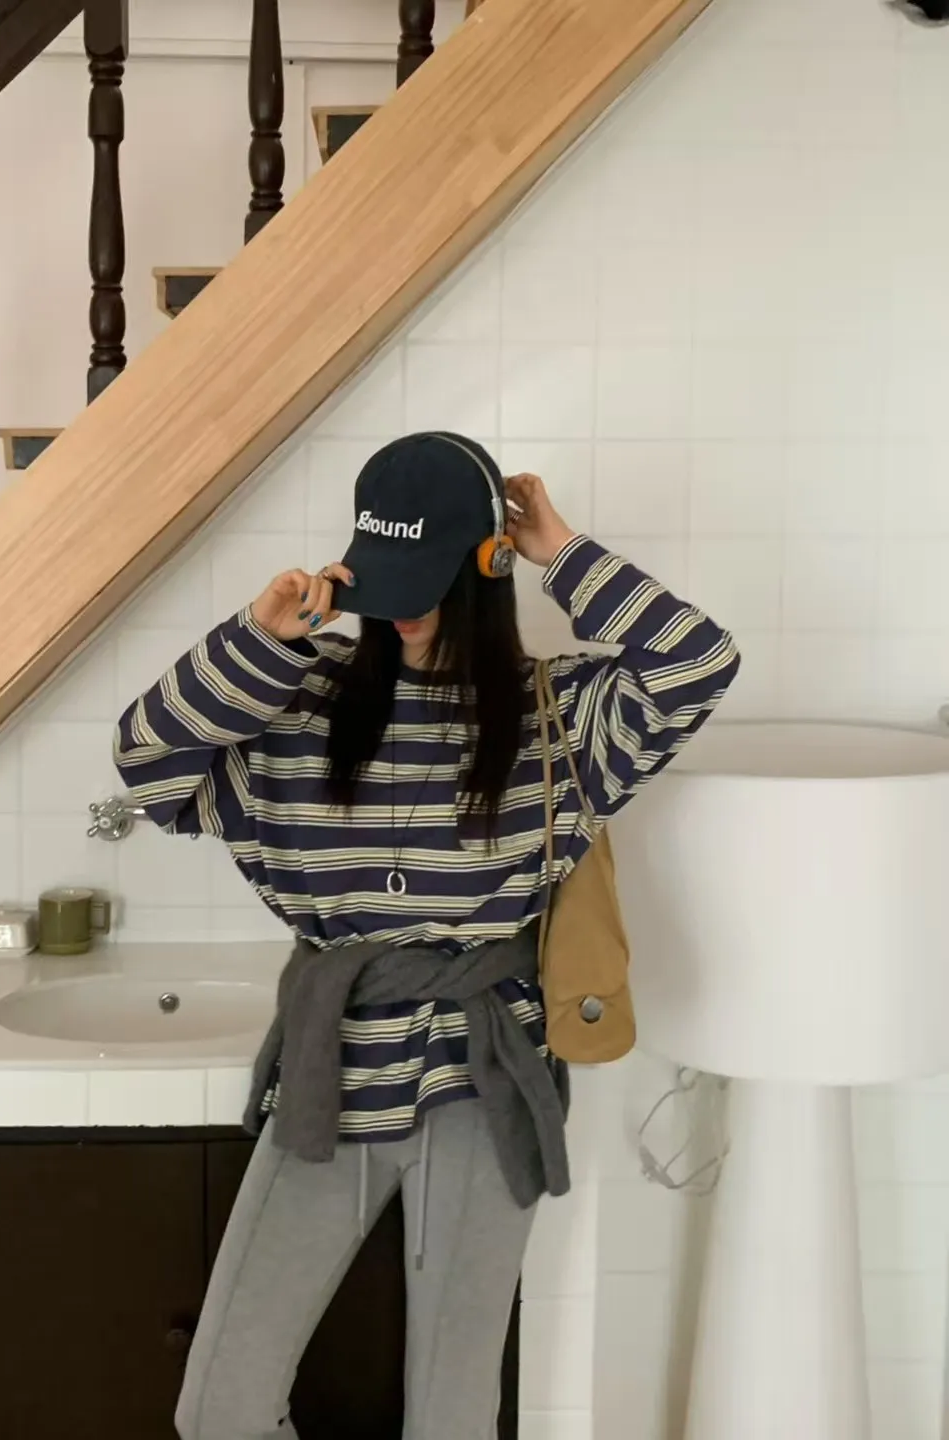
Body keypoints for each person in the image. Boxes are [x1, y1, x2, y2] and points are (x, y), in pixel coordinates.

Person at [113, 432, 740, 1440]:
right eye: (386, 579)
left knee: (452, 1415)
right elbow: (147, 762)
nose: (403, 610)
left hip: (485, 1078)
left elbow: (698, 662)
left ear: (487, 565)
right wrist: (257, 639)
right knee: (220, 1407)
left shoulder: (560, 716)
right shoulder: (295, 703)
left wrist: (560, 551)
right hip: (331, 1071)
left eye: (429, 581)